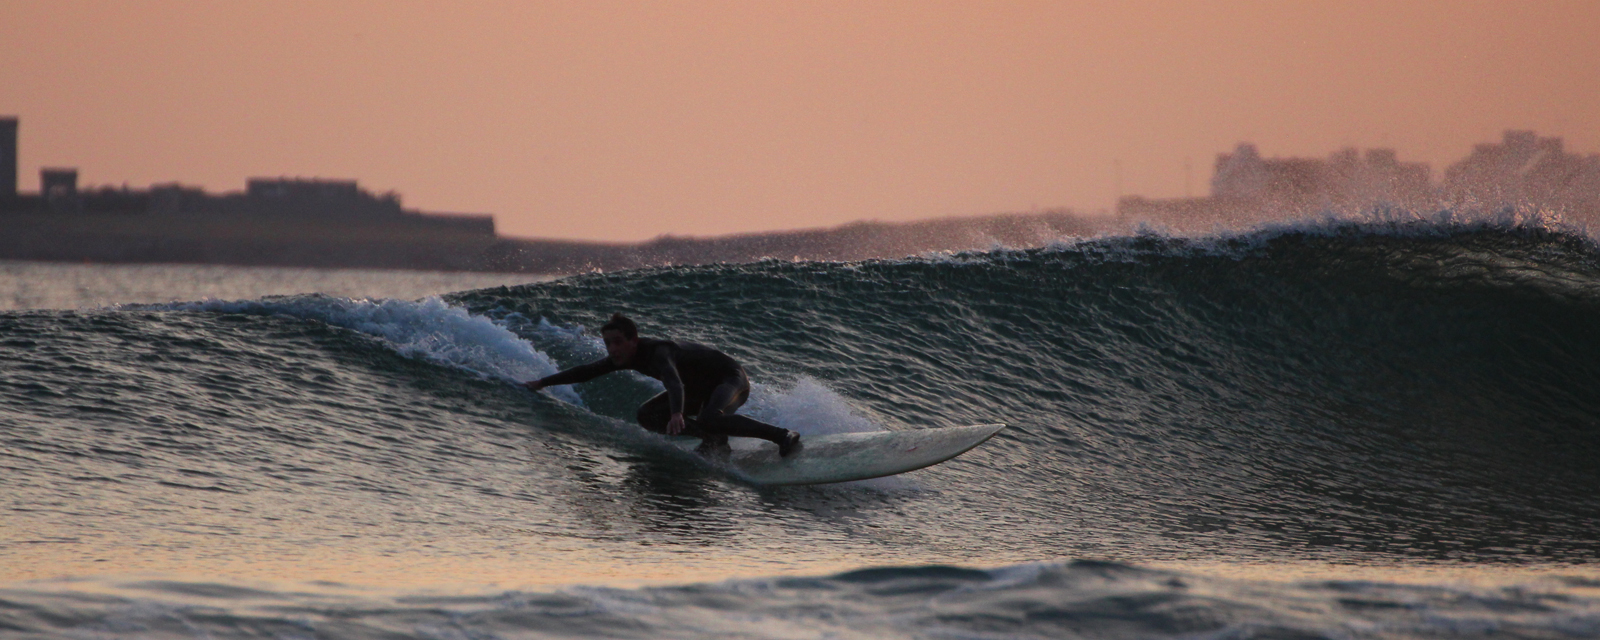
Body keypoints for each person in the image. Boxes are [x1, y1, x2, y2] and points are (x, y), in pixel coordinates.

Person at [524, 313, 803, 458]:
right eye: (608, 343)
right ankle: (713, 439)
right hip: (699, 389)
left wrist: (677, 413)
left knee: (709, 416)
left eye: (617, 342)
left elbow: (673, 381)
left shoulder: (658, 351)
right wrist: (543, 382)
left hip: (729, 378)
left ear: (633, 339)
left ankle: (782, 435)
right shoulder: (622, 358)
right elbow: (587, 372)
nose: (612, 349)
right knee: (646, 415)